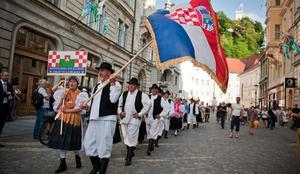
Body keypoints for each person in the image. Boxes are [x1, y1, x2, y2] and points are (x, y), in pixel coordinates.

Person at [82, 62, 122, 174]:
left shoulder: (116, 84)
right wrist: (86, 106)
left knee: (104, 147)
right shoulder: (97, 85)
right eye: (99, 70)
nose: (100, 72)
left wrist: (113, 84)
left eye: (103, 70)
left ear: (109, 72)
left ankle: (101, 171)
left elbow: (113, 99)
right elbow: (94, 102)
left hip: (107, 119)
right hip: (94, 118)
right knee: (88, 144)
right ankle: (97, 166)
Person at [48, 76, 87, 173]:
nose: (71, 83)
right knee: (61, 142)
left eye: (74, 82)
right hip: (62, 120)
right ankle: (62, 163)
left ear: (77, 84)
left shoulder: (81, 94)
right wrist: (62, 99)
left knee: (74, 142)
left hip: (74, 120)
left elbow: (79, 109)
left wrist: (67, 110)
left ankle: (77, 157)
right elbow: (57, 108)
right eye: (70, 81)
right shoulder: (63, 92)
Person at [118, 78, 151, 166]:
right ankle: (131, 151)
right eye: (129, 84)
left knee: (131, 136)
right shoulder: (124, 94)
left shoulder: (141, 95)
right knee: (126, 136)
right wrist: (120, 112)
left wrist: (140, 114)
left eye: (132, 85)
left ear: (136, 86)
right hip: (124, 119)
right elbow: (119, 105)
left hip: (134, 119)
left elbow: (148, 105)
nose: (130, 86)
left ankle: (129, 157)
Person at [145, 84, 168, 156]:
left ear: (157, 90)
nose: (153, 90)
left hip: (155, 118)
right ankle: (151, 145)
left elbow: (166, 109)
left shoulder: (160, 98)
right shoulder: (147, 97)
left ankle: (148, 148)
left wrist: (160, 115)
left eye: (155, 89)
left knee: (152, 132)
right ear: (151, 90)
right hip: (147, 117)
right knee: (148, 132)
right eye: (152, 89)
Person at [0, 71, 13, 147]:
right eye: (6, 76)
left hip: (5, 107)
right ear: (1, 75)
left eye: (8, 76)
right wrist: (6, 94)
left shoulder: (8, 84)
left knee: (1, 125)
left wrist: (9, 95)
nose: (7, 77)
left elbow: (11, 93)